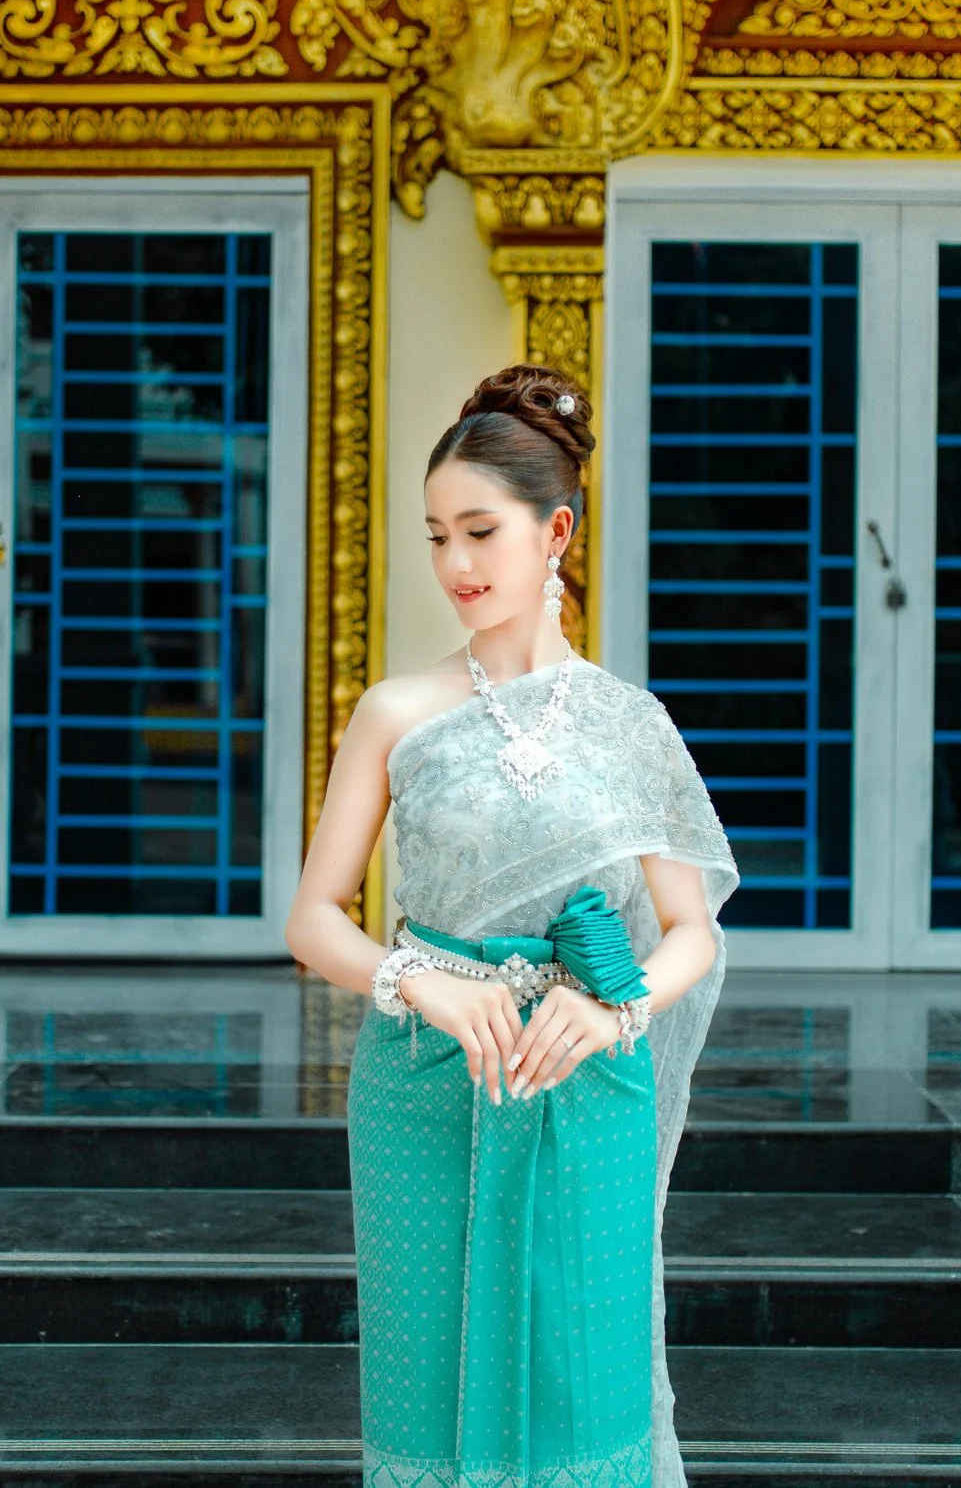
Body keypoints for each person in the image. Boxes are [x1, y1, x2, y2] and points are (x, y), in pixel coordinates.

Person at [283, 363, 737, 1488]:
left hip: (585, 1076)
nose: (456, 565)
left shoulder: (631, 724)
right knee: (425, 1386)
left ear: (556, 532)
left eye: (480, 531)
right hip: (423, 1076)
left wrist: (609, 1001)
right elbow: (310, 918)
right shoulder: (396, 710)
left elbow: (691, 930)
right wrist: (416, 982)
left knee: (586, 1387)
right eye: (437, 536)